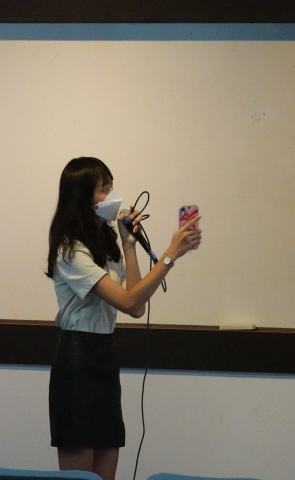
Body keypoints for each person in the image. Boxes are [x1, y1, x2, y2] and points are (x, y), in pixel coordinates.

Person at [45, 156, 202, 480]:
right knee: (79, 477)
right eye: (103, 189)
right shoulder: (70, 250)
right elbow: (129, 300)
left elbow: (136, 306)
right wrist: (170, 255)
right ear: (82, 197)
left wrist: (129, 245)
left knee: (107, 467)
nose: (112, 195)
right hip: (77, 361)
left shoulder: (106, 243)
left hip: (105, 355)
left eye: (111, 186)